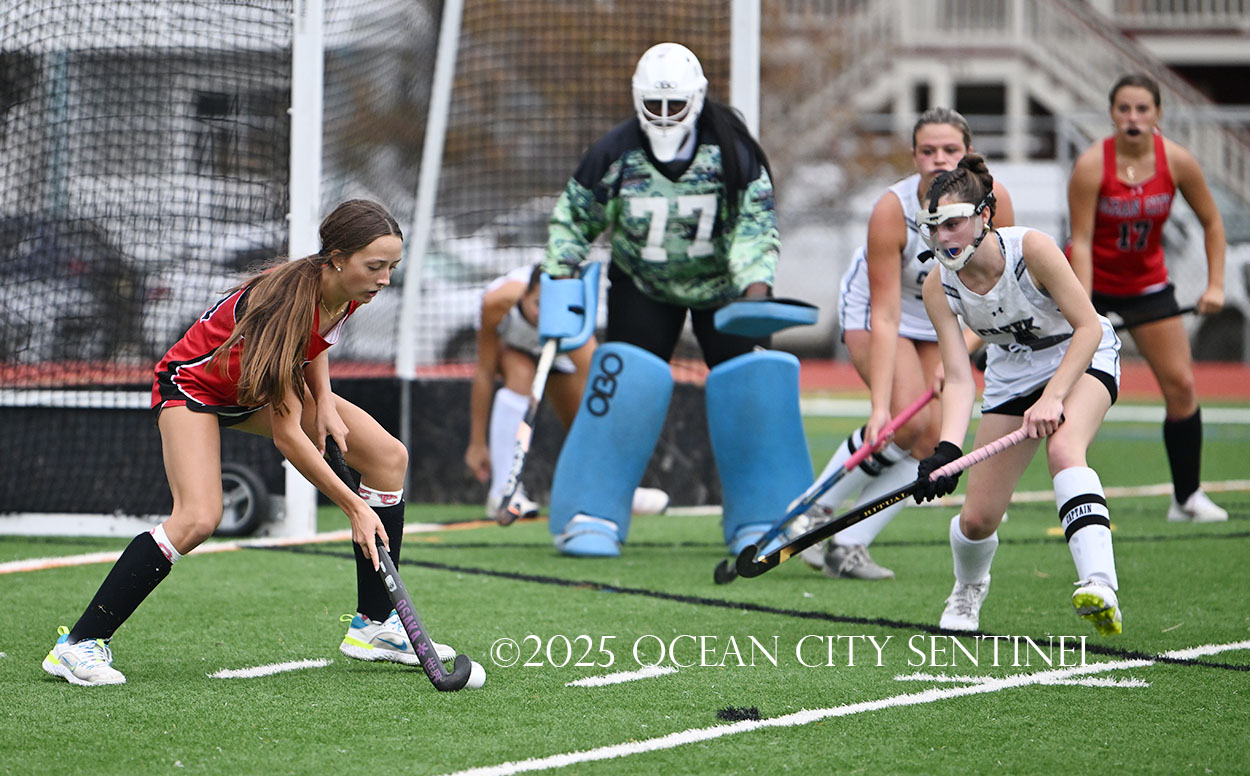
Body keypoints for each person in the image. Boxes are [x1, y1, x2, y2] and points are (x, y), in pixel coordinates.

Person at [42, 199, 454, 686]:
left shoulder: (345, 289)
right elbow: (289, 437)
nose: (384, 279)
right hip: (195, 391)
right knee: (198, 518)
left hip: (252, 388)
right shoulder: (284, 309)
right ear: (337, 258)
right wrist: (353, 507)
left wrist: (324, 400)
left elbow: (318, 341)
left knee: (387, 457)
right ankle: (79, 644)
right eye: (376, 266)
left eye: (392, 268)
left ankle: (374, 626)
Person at [537, 42, 806, 558]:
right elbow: (574, 218)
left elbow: (755, 226)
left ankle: (761, 515)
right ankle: (592, 512)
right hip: (644, 285)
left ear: (697, 99)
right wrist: (560, 275)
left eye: (674, 105)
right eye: (654, 105)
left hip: (723, 288)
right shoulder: (614, 153)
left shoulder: (734, 152)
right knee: (623, 387)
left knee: (750, 388)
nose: (663, 116)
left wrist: (755, 288)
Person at [792, 108, 1016, 580]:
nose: (939, 160)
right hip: (877, 314)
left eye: (950, 150)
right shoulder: (891, 210)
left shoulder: (992, 203)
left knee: (933, 439)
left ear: (968, 153)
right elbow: (886, 313)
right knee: (902, 423)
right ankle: (814, 508)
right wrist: (879, 409)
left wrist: (963, 350)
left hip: (940, 318)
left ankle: (849, 545)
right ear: (914, 156)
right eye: (928, 151)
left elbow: (999, 293)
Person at [916, 155, 1123, 636]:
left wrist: (1054, 396)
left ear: (984, 216)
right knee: (977, 519)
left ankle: (1099, 584)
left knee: (1064, 448)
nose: (944, 236)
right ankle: (969, 588)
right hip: (1011, 373)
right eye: (935, 226)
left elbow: (1089, 327)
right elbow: (959, 377)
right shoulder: (937, 286)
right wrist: (948, 449)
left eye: (954, 223)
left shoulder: (1032, 249)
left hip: (1079, 356)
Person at [1067, 73, 1228, 523]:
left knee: (1181, 386)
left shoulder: (1177, 161)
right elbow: (1081, 241)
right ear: (1111, 113)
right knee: (1063, 386)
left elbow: (1213, 223)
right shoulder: (1091, 165)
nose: (1133, 118)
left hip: (1147, 286)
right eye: (1124, 109)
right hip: (1091, 284)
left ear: (1157, 113)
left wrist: (1215, 285)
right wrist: (1083, 307)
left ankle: (1187, 499)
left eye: (1142, 109)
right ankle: (1050, 489)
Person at [463, 264, 669, 518]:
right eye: (538, 304)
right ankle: (503, 493)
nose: (543, 313)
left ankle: (617, 491)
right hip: (514, 350)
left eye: (551, 307)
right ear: (524, 295)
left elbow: (599, 388)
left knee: (584, 418)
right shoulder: (497, 303)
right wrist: (477, 443)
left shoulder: (573, 319)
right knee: (521, 373)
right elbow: (484, 373)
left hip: (559, 354)